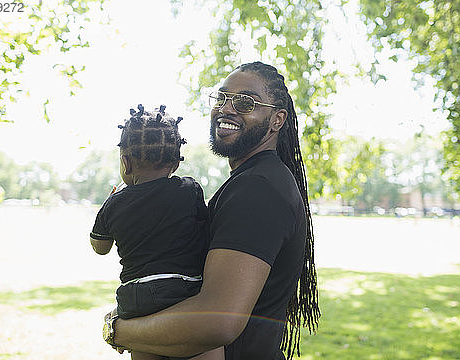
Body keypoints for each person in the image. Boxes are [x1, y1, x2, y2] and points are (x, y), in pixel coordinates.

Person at [104, 62, 320, 359]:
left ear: (277, 120)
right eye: (221, 98)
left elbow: (218, 321)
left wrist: (118, 330)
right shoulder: (252, 181)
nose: (226, 109)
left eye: (245, 102)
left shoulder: (259, 189)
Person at [90, 104, 223, 360]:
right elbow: (206, 228)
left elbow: (100, 247)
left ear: (125, 163)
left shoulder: (114, 202)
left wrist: (112, 203)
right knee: (204, 345)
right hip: (183, 290)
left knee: (145, 348)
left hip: (135, 297)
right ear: (175, 163)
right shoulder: (188, 190)